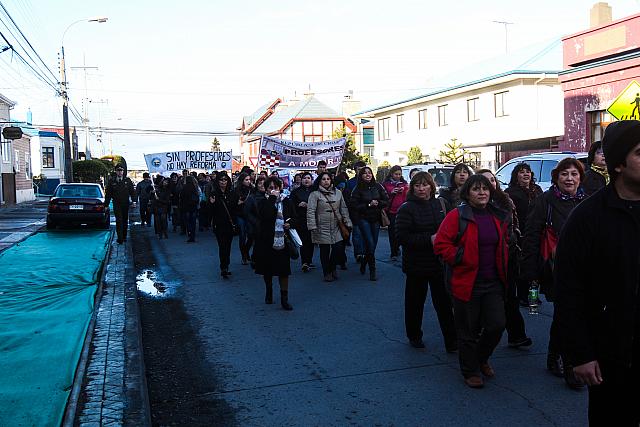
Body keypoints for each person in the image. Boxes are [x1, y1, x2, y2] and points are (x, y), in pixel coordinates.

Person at [555, 120, 640, 425]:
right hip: (609, 356)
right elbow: (568, 290)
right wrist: (580, 353)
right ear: (618, 164)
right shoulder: (587, 218)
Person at [433, 174, 509, 388]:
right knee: (468, 330)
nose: (482, 192)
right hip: (466, 282)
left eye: (485, 188)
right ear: (467, 193)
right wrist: (461, 257)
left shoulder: (498, 215)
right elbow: (441, 244)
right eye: (476, 189)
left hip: (493, 280)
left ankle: (481, 357)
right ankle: (470, 370)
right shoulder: (457, 216)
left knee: (497, 325)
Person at [521, 157, 586, 389]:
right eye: (564, 174)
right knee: (568, 315)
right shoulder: (545, 201)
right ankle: (570, 366)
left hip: (585, 270)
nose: (570, 178)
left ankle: (552, 355)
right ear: (556, 178)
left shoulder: (587, 200)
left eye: (574, 174)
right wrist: (530, 272)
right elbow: (531, 235)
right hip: (556, 268)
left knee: (567, 316)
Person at [396, 172, 456, 352]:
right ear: (412, 188)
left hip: (439, 263)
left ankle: (452, 341)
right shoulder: (406, 208)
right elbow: (401, 237)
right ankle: (414, 335)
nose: (421, 189)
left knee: (444, 304)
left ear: (431, 186)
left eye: (425, 185)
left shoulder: (440, 204)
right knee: (415, 303)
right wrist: (428, 239)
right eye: (417, 185)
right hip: (417, 265)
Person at [478, 169, 532, 349]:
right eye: (485, 181)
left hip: (508, 257)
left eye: (492, 180)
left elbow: (514, 226)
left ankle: (517, 335)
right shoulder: (473, 207)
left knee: (510, 298)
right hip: (484, 261)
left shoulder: (505, 201)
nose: (490, 184)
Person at [254, 176, 297, 310]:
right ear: (266, 189)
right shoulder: (262, 202)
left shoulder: (286, 201)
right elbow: (265, 215)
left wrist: (290, 223)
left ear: (281, 188)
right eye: (270, 188)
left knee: (284, 271)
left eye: (276, 188)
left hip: (282, 240)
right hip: (266, 239)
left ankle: (284, 298)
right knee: (267, 270)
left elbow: (295, 217)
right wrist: (272, 198)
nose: (274, 190)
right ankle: (269, 290)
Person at [504, 162, 544, 305]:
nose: (526, 174)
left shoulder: (537, 190)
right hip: (521, 234)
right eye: (522, 172)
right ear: (516, 176)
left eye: (528, 171)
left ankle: (533, 295)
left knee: (536, 265)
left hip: (537, 232)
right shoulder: (511, 192)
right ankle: (522, 295)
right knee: (522, 266)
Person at [306, 172, 352, 282]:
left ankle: (332, 267)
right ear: (319, 181)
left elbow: (343, 208)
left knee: (338, 248)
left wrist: (347, 221)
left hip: (337, 225)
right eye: (323, 179)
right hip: (321, 226)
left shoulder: (338, 193)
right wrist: (312, 225)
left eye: (328, 179)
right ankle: (327, 272)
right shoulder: (315, 194)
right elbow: (311, 211)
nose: (326, 181)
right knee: (324, 251)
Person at [350, 166, 389, 281]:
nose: (368, 175)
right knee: (370, 243)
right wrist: (368, 205)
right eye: (365, 173)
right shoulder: (357, 189)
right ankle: (372, 270)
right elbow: (353, 205)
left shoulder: (378, 186)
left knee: (373, 244)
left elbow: (386, 200)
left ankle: (364, 262)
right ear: (361, 175)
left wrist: (378, 203)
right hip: (363, 219)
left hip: (376, 218)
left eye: (370, 173)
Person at [210, 172, 238, 278]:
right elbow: (210, 211)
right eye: (221, 180)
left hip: (230, 225)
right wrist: (211, 204)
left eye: (225, 180)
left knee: (228, 246)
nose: (223, 182)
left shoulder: (232, 193)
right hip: (219, 224)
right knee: (222, 246)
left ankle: (226, 265)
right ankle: (223, 267)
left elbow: (235, 209)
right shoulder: (214, 194)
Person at [382, 165, 409, 261]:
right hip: (391, 211)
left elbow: (408, 197)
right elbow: (383, 197)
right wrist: (391, 192)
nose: (397, 176)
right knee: (392, 232)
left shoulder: (404, 184)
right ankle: (393, 251)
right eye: (396, 174)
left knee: (400, 231)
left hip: (402, 210)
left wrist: (404, 190)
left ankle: (397, 248)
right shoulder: (386, 184)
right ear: (391, 174)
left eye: (399, 174)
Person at [290, 172, 315, 272]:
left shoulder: (315, 191)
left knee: (311, 241)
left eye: (308, 178)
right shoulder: (296, 192)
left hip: (313, 219)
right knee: (304, 241)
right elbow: (291, 205)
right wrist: (298, 205)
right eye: (304, 178)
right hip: (301, 219)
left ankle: (309, 261)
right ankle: (304, 262)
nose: (306, 180)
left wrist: (308, 205)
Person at [105, 164, 136, 244]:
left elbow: (132, 192)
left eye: (121, 170)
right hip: (116, 203)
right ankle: (120, 238)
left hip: (125, 203)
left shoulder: (127, 180)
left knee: (125, 220)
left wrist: (134, 201)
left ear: (123, 171)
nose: (120, 172)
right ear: (116, 171)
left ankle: (124, 236)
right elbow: (108, 194)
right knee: (119, 220)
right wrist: (106, 205)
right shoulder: (112, 181)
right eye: (118, 170)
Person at [345, 161, 367, 264]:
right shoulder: (350, 183)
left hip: (368, 213)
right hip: (355, 213)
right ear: (355, 170)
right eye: (359, 170)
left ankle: (366, 253)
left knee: (366, 235)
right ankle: (358, 254)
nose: (362, 172)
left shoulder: (369, 182)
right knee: (357, 234)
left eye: (363, 170)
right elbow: (347, 199)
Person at [244, 175, 267, 269]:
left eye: (264, 184)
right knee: (256, 241)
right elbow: (247, 212)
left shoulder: (269, 197)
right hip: (255, 225)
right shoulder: (252, 197)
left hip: (266, 224)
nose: (262, 185)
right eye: (260, 183)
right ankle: (253, 257)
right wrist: (256, 222)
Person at [235, 172, 254, 265]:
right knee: (242, 235)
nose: (248, 181)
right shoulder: (236, 190)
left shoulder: (252, 189)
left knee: (251, 235)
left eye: (249, 179)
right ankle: (243, 256)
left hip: (249, 215)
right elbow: (233, 203)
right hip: (240, 215)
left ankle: (246, 251)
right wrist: (238, 202)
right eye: (246, 180)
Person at [180, 175, 200, 243]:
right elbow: (198, 197)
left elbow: (181, 198)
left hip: (186, 207)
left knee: (188, 221)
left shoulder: (184, 188)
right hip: (193, 207)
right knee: (193, 222)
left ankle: (189, 233)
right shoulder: (195, 188)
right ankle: (192, 235)